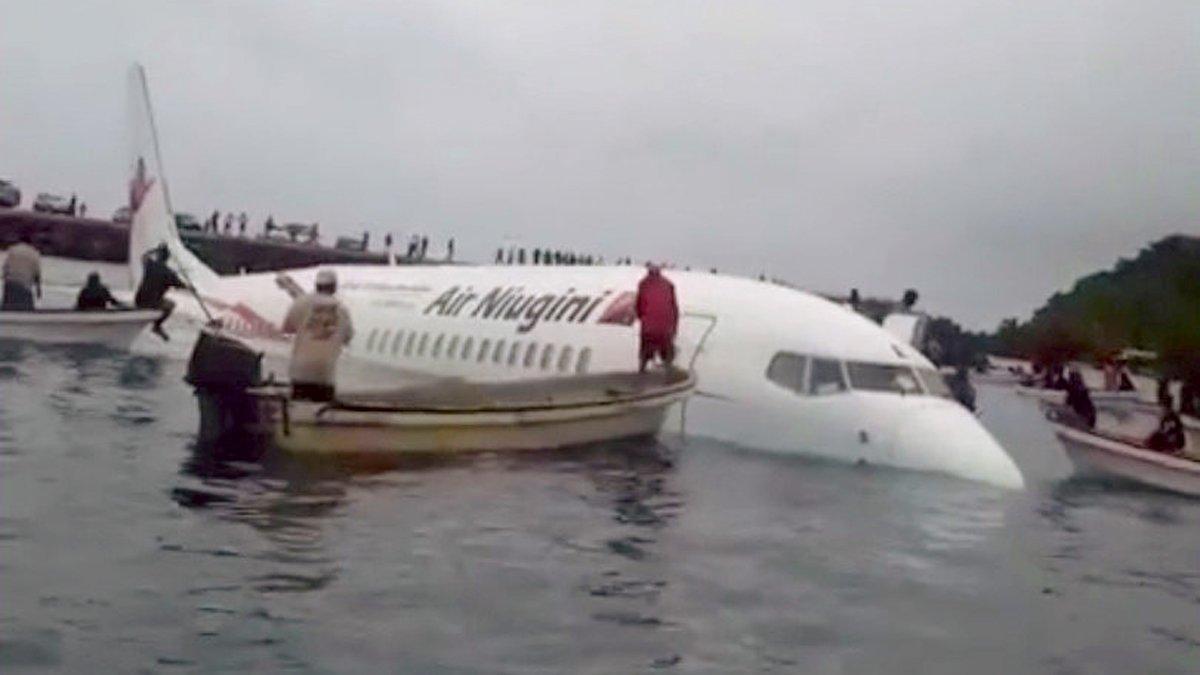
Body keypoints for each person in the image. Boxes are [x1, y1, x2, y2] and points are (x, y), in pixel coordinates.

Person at [281, 269, 354, 402]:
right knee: (321, 414)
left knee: (299, 411)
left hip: (300, 370)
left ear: (316, 285)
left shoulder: (300, 303)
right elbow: (348, 337)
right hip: (325, 373)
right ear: (334, 287)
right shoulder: (342, 310)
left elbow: (287, 329)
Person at [134, 244, 187, 341]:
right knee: (171, 304)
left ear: (158, 256)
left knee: (164, 301)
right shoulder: (169, 273)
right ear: (167, 259)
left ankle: (157, 326)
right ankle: (157, 325)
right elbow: (180, 285)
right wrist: (190, 287)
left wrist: (154, 249)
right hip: (153, 302)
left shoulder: (150, 265)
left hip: (139, 299)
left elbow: (144, 256)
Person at [635, 263, 680, 373]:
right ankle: (669, 374)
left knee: (645, 352)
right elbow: (675, 308)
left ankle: (641, 372)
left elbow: (639, 306)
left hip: (649, 328)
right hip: (666, 328)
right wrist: (674, 329)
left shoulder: (643, 284)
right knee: (667, 354)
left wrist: (643, 319)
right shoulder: (669, 284)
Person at [2, 233, 42, 311]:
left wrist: (6, 283)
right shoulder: (34, 253)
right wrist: (38, 291)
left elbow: (5, 269)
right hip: (24, 287)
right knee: (27, 311)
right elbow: (37, 275)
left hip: (10, 285)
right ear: (31, 242)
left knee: (7, 309)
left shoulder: (12, 250)